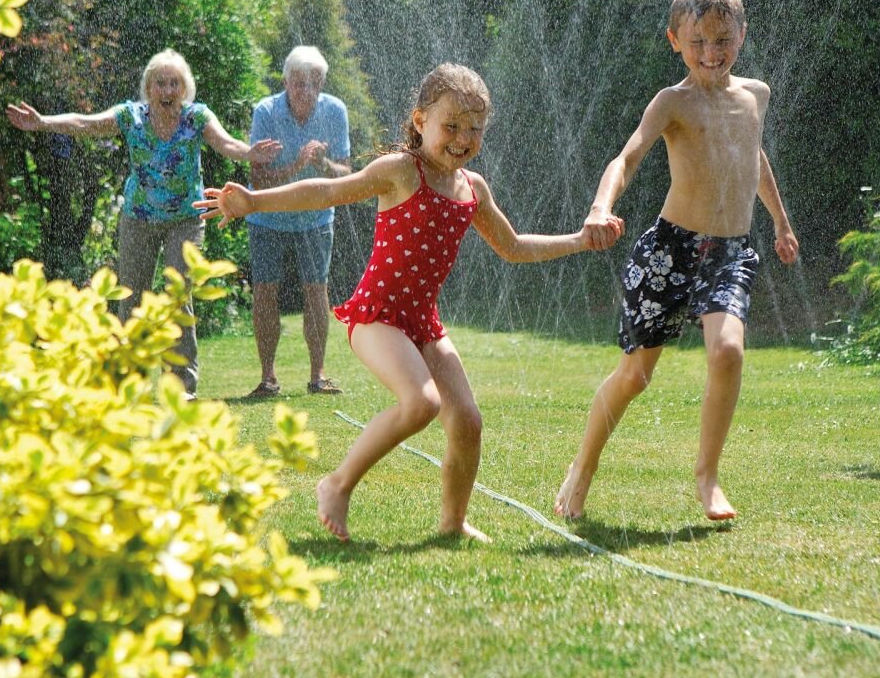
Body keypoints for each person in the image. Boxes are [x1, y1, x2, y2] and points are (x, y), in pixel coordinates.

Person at [195, 63, 624, 543]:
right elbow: (327, 191)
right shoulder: (402, 170)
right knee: (422, 403)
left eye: (475, 129)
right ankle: (337, 484)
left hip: (423, 323)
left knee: (468, 421)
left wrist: (580, 240)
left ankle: (453, 523)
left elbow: (515, 247)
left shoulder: (472, 189)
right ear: (421, 121)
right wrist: (255, 201)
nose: (462, 139)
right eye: (451, 126)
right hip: (377, 316)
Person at [553, 0, 800, 523]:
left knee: (728, 351)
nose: (711, 53)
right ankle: (582, 467)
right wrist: (599, 207)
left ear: (742, 34)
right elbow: (627, 157)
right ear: (674, 41)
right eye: (697, 42)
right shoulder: (673, 102)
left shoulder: (755, 95)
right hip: (671, 250)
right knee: (634, 377)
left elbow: (753, 157)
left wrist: (780, 222)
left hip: (729, 252)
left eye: (723, 40)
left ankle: (707, 477)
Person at [6, 48, 280, 397]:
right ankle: (127, 381)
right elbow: (86, 123)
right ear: (149, 88)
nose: (167, 91)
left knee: (177, 296)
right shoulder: (130, 116)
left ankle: (181, 387)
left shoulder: (196, 117)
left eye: (174, 84)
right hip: (139, 217)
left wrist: (249, 152)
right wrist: (43, 122)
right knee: (131, 298)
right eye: (160, 83)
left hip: (186, 218)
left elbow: (225, 143)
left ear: (185, 89)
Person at [244, 46, 352, 399]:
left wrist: (322, 163)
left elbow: (346, 174)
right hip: (267, 216)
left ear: (322, 83)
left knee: (316, 290)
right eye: (299, 83)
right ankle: (267, 378)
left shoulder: (335, 111)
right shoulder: (266, 112)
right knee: (265, 291)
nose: (307, 90)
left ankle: (318, 375)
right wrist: (297, 165)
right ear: (286, 82)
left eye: (314, 83)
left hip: (315, 216)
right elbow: (257, 180)